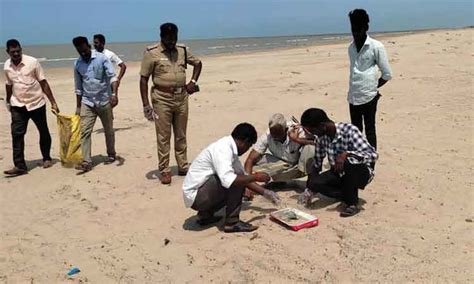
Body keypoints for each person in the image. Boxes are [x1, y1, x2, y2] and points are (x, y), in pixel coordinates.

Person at [183, 123, 281, 233]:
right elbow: (231, 180)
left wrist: (266, 193)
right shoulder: (223, 149)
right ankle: (232, 222)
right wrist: (256, 176)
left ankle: (205, 215)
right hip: (196, 197)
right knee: (234, 181)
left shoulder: (230, 149)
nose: (246, 150)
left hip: (201, 192)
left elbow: (244, 176)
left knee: (238, 177)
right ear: (245, 141)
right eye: (248, 147)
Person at [139, 22, 202, 185]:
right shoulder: (151, 53)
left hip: (182, 98)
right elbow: (144, 79)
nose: (172, 42)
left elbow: (198, 63)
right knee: (163, 136)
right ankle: (165, 170)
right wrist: (146, 105)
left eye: (174, 38)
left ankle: (182, 165)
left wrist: (193, 81)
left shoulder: (182, 50)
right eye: (168, 39)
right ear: (162, 37)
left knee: (181, 134)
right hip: (161, 99)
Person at [297, 108, 378, 217]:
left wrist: (347, 154)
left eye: (313, 131)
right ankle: (345, 194)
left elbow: (373, 155)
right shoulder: (321, 138)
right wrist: (310, 188)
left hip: (360, 172)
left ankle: (352, 204)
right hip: (338, 173)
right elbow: (317, 163)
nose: (313, 134)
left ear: (322, 126)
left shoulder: (349, 130)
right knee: (314, 182)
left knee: (348, 163)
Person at [3, 39, 60, 176]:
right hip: (18, 105)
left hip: (36, 103)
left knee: (43, 131)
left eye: (18, 50)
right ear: (8, 52)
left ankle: (46, 158)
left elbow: (43, 82)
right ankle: (20, 166)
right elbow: (9, 84)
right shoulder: (6, 66)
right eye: (13, 52)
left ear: (21, 49)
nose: (16, 54)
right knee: (17, 135)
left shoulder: (33, 62)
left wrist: (53, 101)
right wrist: (8, 100)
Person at [347, 9, 392, 149]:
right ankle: (358, 160)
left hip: (369, 98)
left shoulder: (376, 46)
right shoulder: (351, 48)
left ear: (365, 28)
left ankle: (371, 163)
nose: (355, 34)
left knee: (370, 131)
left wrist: (373, 87)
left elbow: (387, 74)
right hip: (353, 97)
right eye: (353, 30)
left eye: (358, 30)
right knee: (355, 132)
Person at [72, 36, 118, 172]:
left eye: (84, 49)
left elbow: (112, 76)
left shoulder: (101, 58)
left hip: (104, 100)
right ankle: (87, 161)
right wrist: (78, 107)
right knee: (85, 131)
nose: (83, 52)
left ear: (88, 45)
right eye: (79, 51)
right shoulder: (77, 64)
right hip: (88, 102)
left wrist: (114, 94)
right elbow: (78, 87)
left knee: (108, 130)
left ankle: (111, 154)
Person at [243, 113, 315, 199]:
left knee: (311, 149)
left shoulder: (297, 130)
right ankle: (279, 182)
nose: (275, 138)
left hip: (300, 167)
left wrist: (297, 139)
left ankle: (310, 187)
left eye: (278, 136)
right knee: (252, 166)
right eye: (274, 136)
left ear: (286, 129)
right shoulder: (268, 135)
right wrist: (248, 184)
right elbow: (250, 160)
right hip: (282, 165)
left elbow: (318, 143)